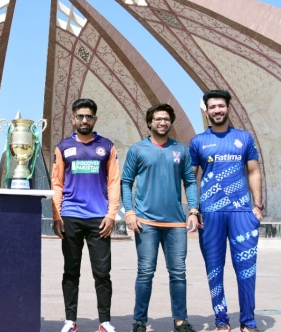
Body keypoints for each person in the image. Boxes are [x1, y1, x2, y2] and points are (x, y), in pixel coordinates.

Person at [189, 90, 263, 332]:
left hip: (242, 213)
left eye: (221, 106)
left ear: (228, 108)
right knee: (214, 269)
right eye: (212, 107)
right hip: (210, 214)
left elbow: (253, 171)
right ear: (207, 111)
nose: (217, 110)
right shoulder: (198, 142)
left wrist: (257, 206)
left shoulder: (244, 138)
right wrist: (193, 209)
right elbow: (191, 178)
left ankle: (248, 322)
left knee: (246, 270)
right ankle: (221, 321)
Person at [121, 104, 199, 332]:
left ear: (171, 122)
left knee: (178, 273)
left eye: (166, 119)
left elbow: (190, 182)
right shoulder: (137, 150)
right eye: (157, 119)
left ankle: (181, 321)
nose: (162, 122)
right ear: (149, 122)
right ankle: (139, 321)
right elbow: (126, 181)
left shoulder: (181, 150)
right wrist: (129, 211)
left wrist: (193, 210)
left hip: (175, 223)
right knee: (145, 272)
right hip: (146, 222)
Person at [51, 98, 120, 332]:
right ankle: (70, 320)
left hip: (99, 219)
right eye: (80, 116)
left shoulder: (107, 146)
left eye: (88, 116)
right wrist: (56, 216)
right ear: (72, 118)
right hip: (70, 216)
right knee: (71, 271)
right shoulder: (62, 148)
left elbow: (113, 182)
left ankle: (104, 322)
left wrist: (111, 215)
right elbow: (57, 183)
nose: (84, 120)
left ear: (95, 119)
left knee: (102, 273)